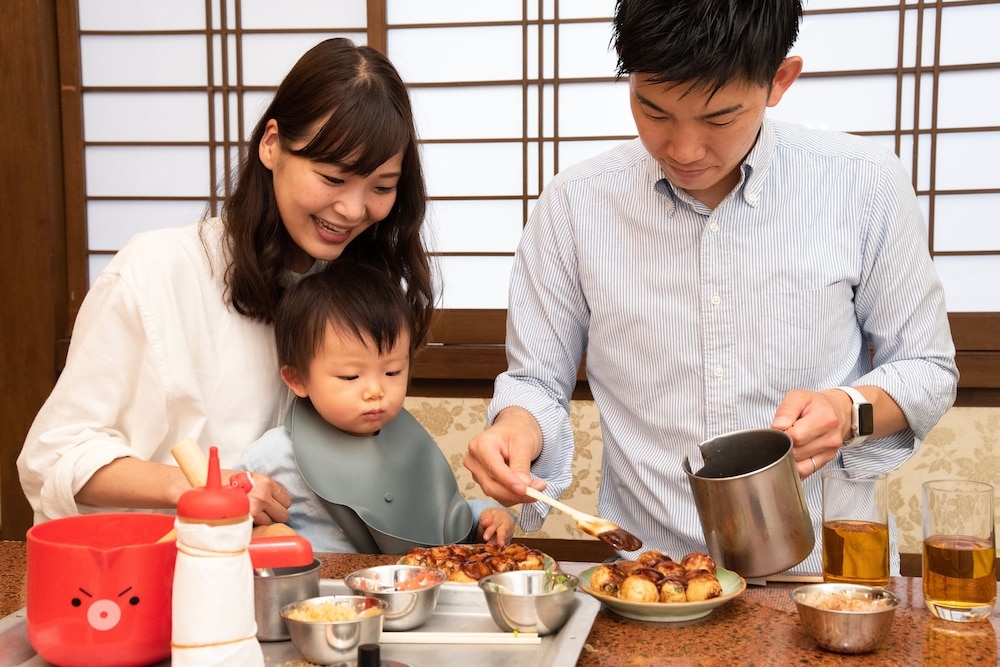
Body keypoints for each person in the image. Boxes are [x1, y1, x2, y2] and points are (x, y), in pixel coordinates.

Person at [464, 0, 958, 575]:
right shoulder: (575, 207)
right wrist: (515, 427)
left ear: (779, 80)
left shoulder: (864, 185)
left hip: (822, 579)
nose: (684, 149)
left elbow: (927, 366)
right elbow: (537, 381)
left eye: (719, 119)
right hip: (650, 580)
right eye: (653, 111)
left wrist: (848, 410)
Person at [18, 38, 434, 529]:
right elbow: (52, 458)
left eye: (382, 187)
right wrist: (202, 486)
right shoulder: (158, 269)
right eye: (332, 177)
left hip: (310, 584)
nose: (352, 209)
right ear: (272, 145)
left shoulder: (356, 288)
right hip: (175, 575)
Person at [238, 264, 515, 552]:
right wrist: (260, 532)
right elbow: (220, 517)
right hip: (319, 592)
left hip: (407, 588)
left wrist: (486, 518)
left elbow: (439, 518)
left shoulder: (405, 443)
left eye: (393, 372)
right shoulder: (275, 453)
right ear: (297, 379)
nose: (375, 391)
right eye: (350, 377)